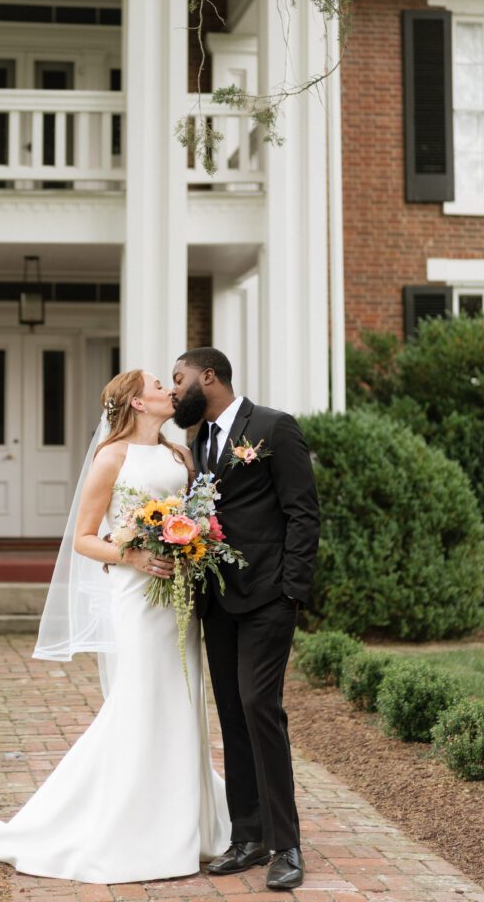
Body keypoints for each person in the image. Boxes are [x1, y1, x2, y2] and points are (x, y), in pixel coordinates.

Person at [0, 368, 231, 883]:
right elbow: (85, 538)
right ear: (136, 403)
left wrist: (192, 542)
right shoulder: (111, 457)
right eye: (158, 386)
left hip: (179, 595)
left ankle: (185, 823)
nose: (169, 392)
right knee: (140, 698)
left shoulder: (180, 454)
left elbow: (196, 512)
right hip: (136, 597)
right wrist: (131, 557)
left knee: (183, 697)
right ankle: (126, 825)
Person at [171, 347, 320, 891]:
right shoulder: (198, 443)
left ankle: (287, 844)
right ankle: (249, 835)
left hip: (267, 598)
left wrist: (292, 591)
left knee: (261, 707)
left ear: (208, 376)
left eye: (179, 378)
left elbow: (302, 511)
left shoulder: (274, 428)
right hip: (218, 601)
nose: (174, 389)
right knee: (232, 714)